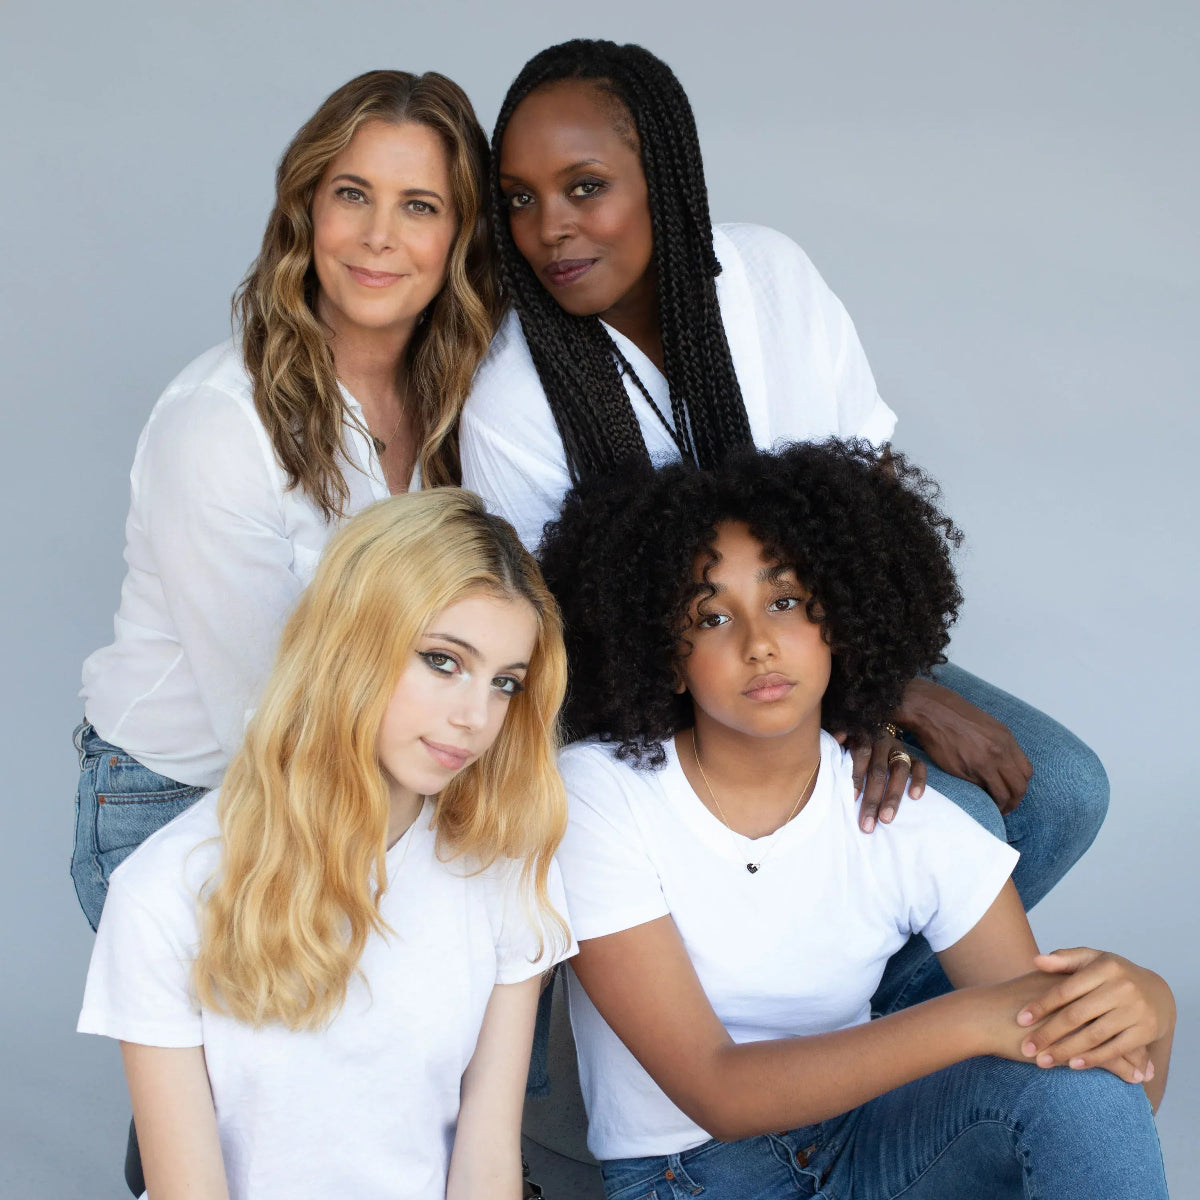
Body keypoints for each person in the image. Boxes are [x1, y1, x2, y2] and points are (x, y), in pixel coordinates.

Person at [459, 38, 1107, 1017]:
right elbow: (569, 659)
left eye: (585, 187)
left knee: (1062, 789)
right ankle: (838, 1059)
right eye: (519, 199)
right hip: (656, 706)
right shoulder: (512, 400)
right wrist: (861, 709)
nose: (549, 228)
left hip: (832, 638)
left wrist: (880, 688)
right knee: (954, 818)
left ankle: (862, 1041)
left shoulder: (768, 276)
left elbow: (870, 516)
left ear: (662, 173)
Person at [536, 441, 1172, 1199]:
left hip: (865, 1148)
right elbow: (718, 1090)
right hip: (691, 1176)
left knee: (1078, 1074)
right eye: (712, 617)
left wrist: (1152, 1009)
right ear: (668, 658)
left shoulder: (909, 820)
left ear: (837, 621)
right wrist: (979, 1020)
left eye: (784, 602)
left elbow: (1084, 1084)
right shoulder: (602, 794)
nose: (758, 644)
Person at [72, 69, 498, 931]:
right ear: (306, 209)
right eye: (352, 194)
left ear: (460, 235)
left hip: (386, 778)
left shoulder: (468, 404)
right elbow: (270, 717)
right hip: (191, 803)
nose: (379, 236)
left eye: (419, 206)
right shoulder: (220, 422)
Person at [78, 489, 577, 1200]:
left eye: (504, 684)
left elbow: (487, 1161)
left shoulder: (502, 864)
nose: (476, 716)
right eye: (442, 661)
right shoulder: (167, 890)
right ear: (348, 644)